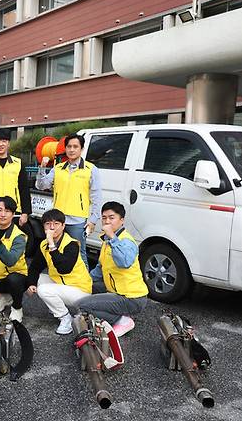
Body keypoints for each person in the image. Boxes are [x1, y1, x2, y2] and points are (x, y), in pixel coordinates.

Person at [77, 202, 148, 337]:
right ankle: (112, 312)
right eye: (104, 218)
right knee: (88, 287)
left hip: (131, 298)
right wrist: (83, 281)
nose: (107, 221)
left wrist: (112, 238)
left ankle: (122, 320)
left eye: (111, 217)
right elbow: (100, 269)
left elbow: (124, 262)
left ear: (122, 220)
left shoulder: (126, 241)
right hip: (116, 290)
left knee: (83, 305)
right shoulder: (107, 241)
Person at [36, 133, 101, 266]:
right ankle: (57, 280)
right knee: (55, 250)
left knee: (79, 252)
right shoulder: (58, 168)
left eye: (75, 146)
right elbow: (41, 185)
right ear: (65, 149)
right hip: (58, 220)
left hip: (78, 220)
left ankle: (84, 285)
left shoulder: (91, 169)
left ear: (81, 149)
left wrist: (93, 220)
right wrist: (42, 168)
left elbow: (96, 196)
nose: (72, 150)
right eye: (69, 146)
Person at [27, 208, 92, 335]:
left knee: (44, 290)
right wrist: (31, 283)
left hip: (80, 291)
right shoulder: (44, 244)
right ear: (43, 227)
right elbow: (35, 267)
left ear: (63, 226)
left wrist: (52, 245)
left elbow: (64, 269)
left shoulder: (71, 244)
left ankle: (65, 319)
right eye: (48, 224)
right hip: (64, 285)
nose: (52, 228)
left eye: (56, 224)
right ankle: (57, 306)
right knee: (37, 279)